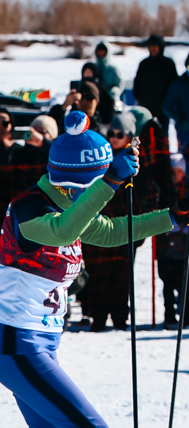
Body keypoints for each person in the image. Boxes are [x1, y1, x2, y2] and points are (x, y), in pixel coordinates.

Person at [0, 110, 180, 428]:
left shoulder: (73, 205)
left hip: (36, 346)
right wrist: (109, 181)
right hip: (16, 344)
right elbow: (65, 230)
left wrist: (173, 218)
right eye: (87, 187)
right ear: (70, 182)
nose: (93, 197)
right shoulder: (30, 208)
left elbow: (109, 232)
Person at [80, 111, 140, 332]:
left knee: (121, 277)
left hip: (123, 225)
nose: (114, 138)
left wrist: (137, 230)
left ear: (129, 136)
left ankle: (120, 318)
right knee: (98, 276)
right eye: (111, 133)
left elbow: (140, 198)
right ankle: (98, 318)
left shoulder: (134, 162)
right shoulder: (101, 158)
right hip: (99, 222)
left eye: (119, 134)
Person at [157, 152, 188, 327]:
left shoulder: (186, 191)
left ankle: (185, 316)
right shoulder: (164, 192)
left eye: (178, 172)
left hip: (184, 247)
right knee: (167, 282)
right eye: (172, 172)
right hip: (165, 247)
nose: (174, 176)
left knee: (184, 283)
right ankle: (169, 315)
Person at [134, 34, 179, 130]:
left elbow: (175, 85)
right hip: (146, 107)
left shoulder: (168, 64)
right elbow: (137, 82)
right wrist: (138, 97)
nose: (153, 49)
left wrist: (170, 103)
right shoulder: (144, 64)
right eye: (151, 46)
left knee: (161, 134)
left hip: (163, 108)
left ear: (161, 47)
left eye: (155, 46)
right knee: (145, 133)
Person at [93, 41, 124, 113]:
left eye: (103, 51)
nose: (101, 53)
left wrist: (114, 91)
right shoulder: (93, 68)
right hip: (94, 102)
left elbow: (120, 84)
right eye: (99, 51)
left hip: (109, 101)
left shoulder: (113, 69)